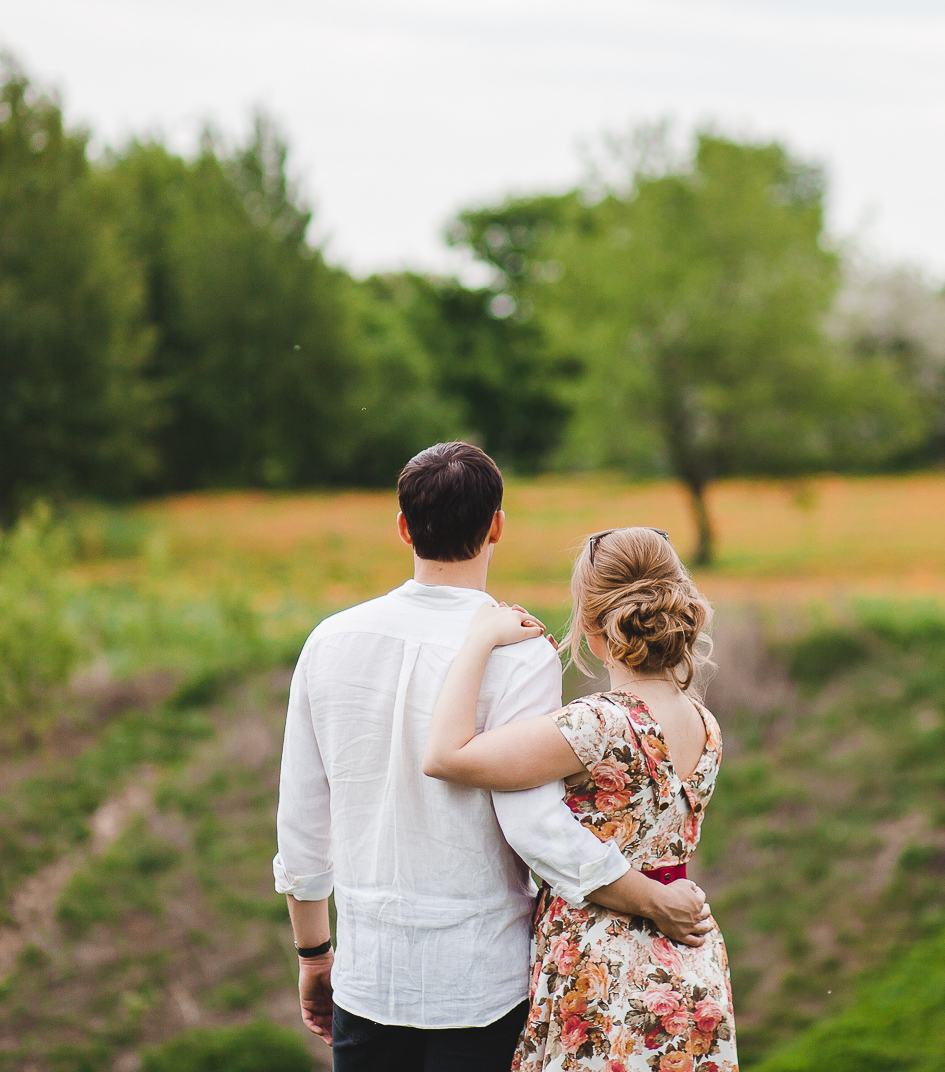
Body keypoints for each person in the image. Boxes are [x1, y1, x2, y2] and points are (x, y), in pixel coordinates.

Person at [273, 443, 715, 1072]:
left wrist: (314, 953)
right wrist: (647, 894)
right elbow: (532, 822)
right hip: (482, 982)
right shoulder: (520, 650)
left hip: (368, 977)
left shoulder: (329, 642)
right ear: (497, 526)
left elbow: (302, 819)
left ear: (404, 528)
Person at [423, 526, 738, 1072]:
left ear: (593, 627)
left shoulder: (598, 724)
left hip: (604, 972)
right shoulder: (705, 723)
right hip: (689, 965)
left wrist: (479, 639)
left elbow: (446, 756)